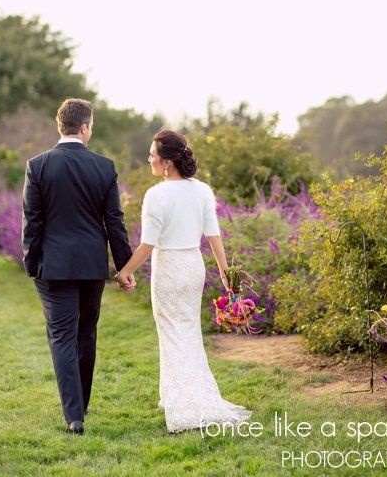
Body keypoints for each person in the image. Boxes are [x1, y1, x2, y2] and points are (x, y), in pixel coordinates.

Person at [115, 129, 252, 433]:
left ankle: (186, 404)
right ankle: (173, 394)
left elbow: (147, 244)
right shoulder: (202, 190)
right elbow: (214, 237)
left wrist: (125, 271)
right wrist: (227, 275)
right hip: (192, 266)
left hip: (169, 268)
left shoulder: (157, 194)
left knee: (172, 334)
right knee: (186, 330)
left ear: (166, 163)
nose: (148, 159)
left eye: (152, 155)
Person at [22, 98, 132, 435]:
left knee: (61, 336)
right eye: (91, 127)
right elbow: (115, 221)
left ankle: (74, 416)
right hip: (92, 266)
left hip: (53, 266)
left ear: (62, 126)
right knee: (86, 333)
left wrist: (32, 263)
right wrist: (124, 267)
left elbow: (32, 221)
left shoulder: (38, 165)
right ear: (84, 127)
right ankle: (79, 406)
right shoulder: (104, 166)